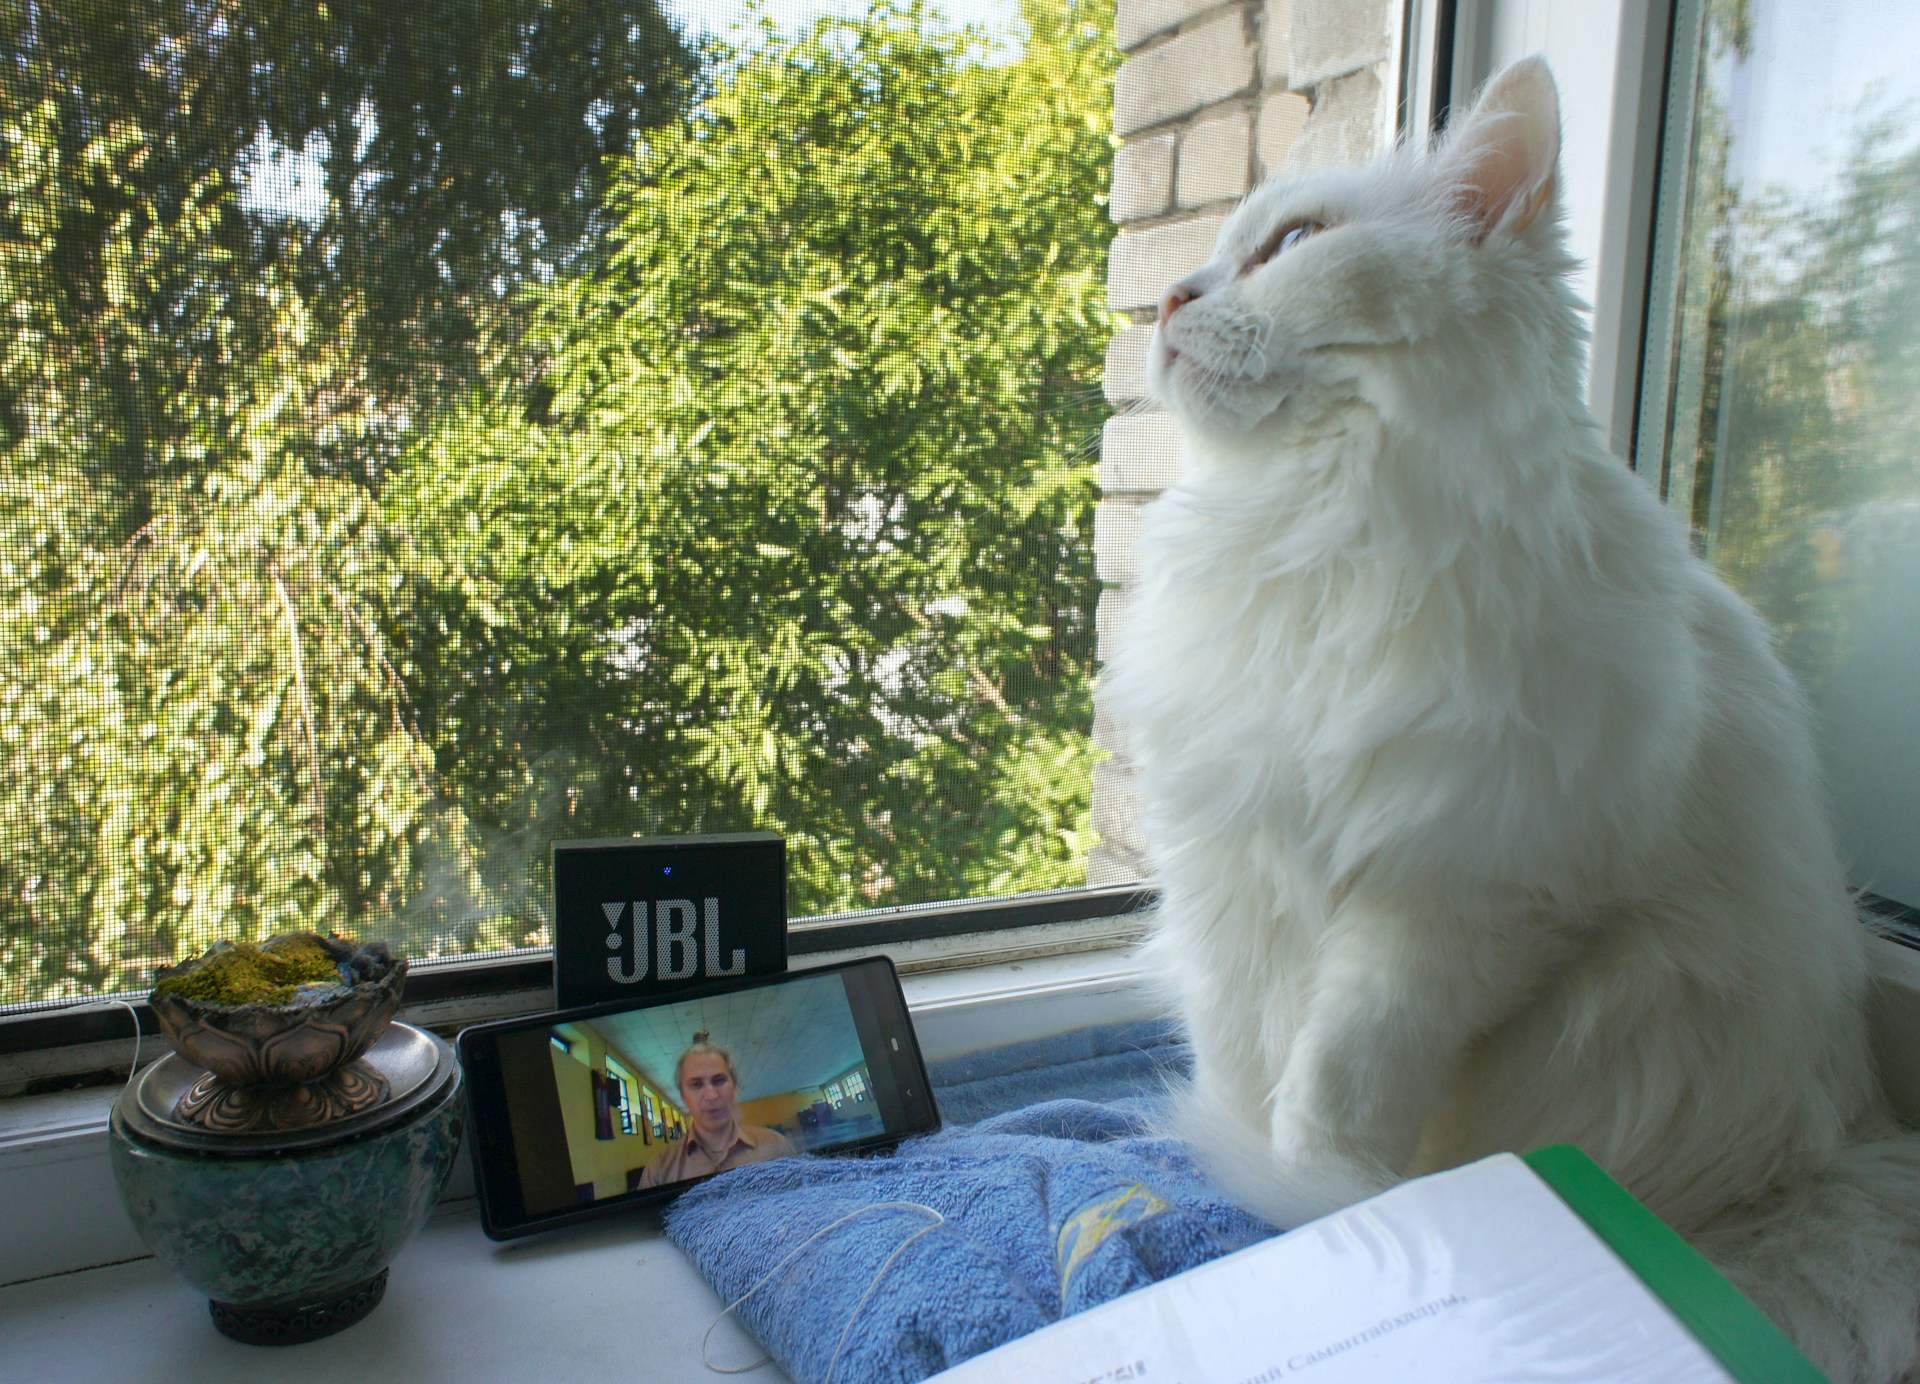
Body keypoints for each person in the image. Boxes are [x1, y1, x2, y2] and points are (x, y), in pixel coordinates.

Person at [637, 1032, 795, 1189]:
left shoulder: (776, 1147)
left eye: (719, 1080)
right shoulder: (659, 1172)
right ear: (684, 1097)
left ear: (735, 1088)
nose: (711, 1096)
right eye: (697, 1085)